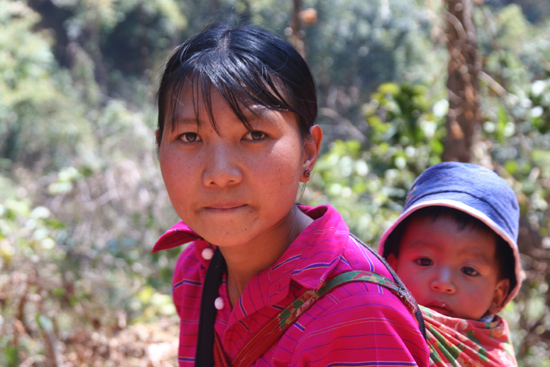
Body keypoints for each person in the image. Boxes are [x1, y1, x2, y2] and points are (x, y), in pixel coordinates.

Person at [152, 22, 429, 367]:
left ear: (308, 151)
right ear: (159, 146)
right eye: (190, 137)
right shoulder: (198, 268)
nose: (220, 174)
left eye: (254, 135)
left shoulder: (358, 312)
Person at [378, 162, 522, 366]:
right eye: (424, 261)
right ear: (391, 267)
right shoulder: (371, 321)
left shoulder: (495, 359)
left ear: (497, 294)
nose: (443, 283)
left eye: (469, 270)